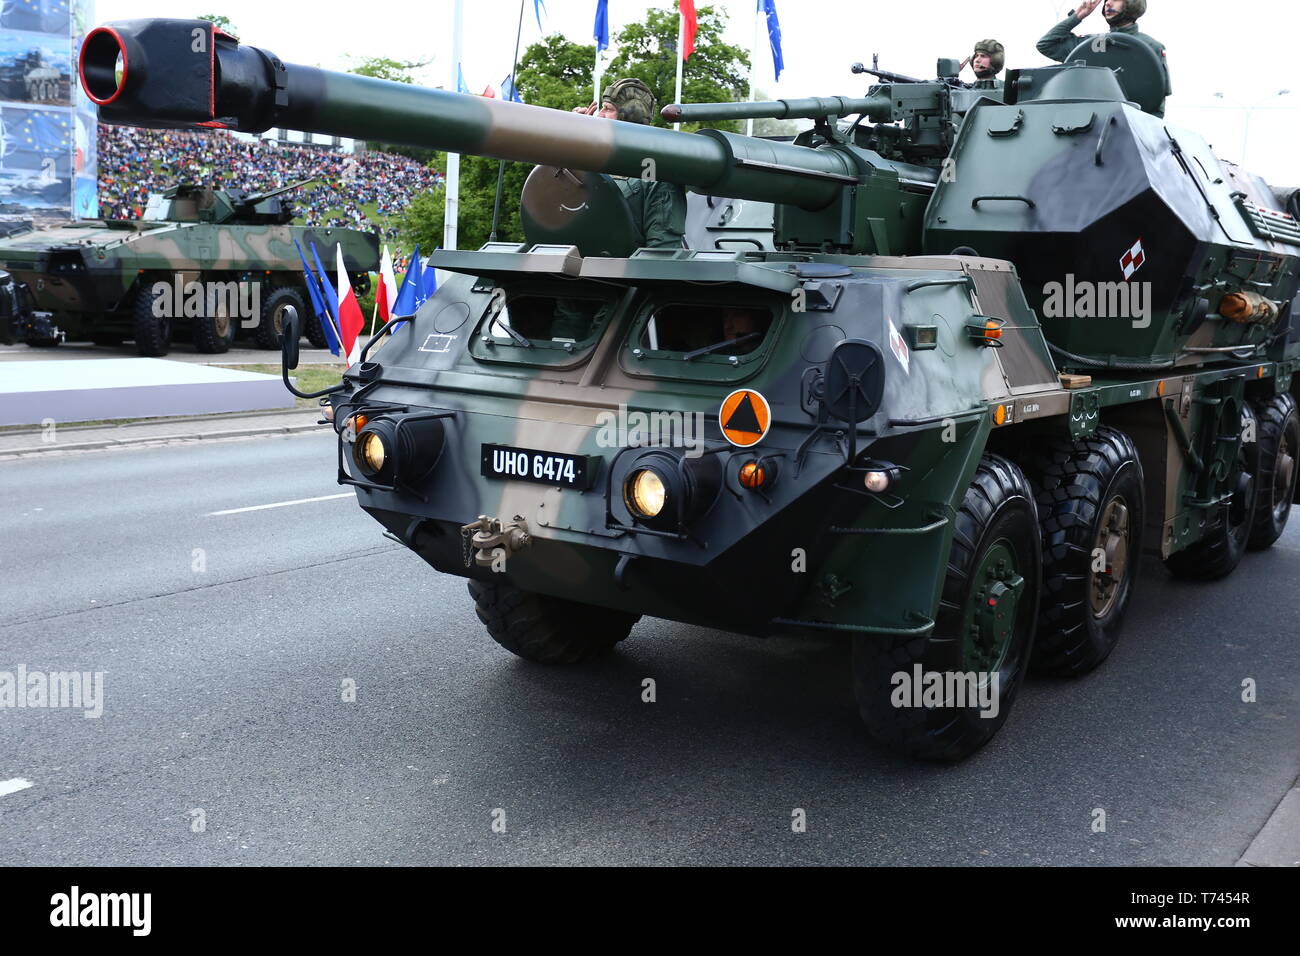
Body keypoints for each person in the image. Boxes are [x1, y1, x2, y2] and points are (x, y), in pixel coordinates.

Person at [572, 78, 687, 250]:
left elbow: (662, 251)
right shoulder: (592, 161)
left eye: (608, 109)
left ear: (631, 115)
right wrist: (572, 137)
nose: (600, 114)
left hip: (619, 273)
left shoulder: (656, 170)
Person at [1037, 1, 1170, 102]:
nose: (1108, 3)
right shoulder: (1092, 44)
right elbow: (1046, 44)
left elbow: (1157, 97)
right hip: (1089, 124)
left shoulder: (1150, 46)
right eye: (1106, 0)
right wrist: (1077, 16)